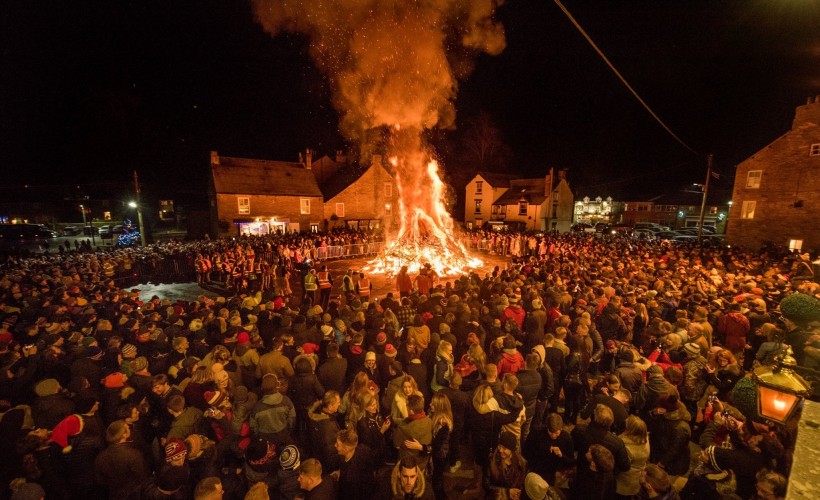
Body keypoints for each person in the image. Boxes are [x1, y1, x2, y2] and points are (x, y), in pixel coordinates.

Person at [616, 415, 651, 499]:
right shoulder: (645, 439)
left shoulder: (626, 446)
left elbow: (622, 465)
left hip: (626, 480)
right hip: (637, 477)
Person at [485, 431, 527, 500]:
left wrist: (517, 493)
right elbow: (486, 484)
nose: (500, 450)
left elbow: (522, 484)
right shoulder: (492, 460)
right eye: (499, 446)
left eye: (504, 448)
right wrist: (506, 492)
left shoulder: (522, 463)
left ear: (512, 450)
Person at [333, 429, 373, 500]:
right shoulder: (364, 448)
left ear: (346, 449)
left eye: (338, 444)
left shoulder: (350, 478)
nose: (335, 445)